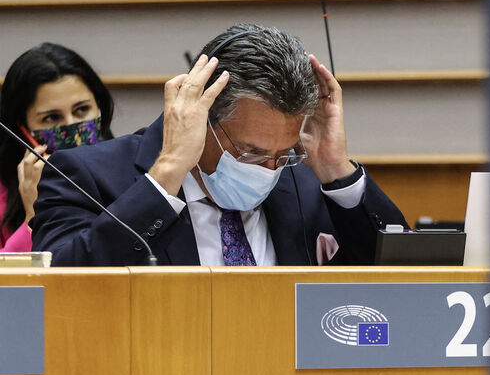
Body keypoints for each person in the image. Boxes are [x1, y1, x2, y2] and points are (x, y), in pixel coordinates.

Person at [31, 24, 407, 266]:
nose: (268, 171)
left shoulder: (302, 180)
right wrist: (167, 173)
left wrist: (337, 171)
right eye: (252, 152)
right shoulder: (84, 176)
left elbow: (409, 279)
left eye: (282, 155)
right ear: (200, 112)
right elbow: (61, 287)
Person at [0, 43, 114, 252]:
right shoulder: (3, 195)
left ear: (99, 109)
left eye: (82, 110)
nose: (71, 125)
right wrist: (33, 219)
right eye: (52, 117)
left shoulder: (129, 170)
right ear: (21, 129)